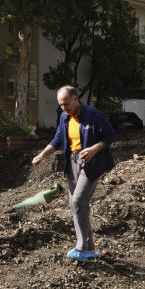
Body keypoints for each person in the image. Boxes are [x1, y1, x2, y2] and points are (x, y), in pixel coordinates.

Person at [32, 85, 115, 261]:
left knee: (78, 202)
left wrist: (94, 148)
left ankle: (82, 247)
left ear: (76, 99)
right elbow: (57, 140)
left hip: (92, 163)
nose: (64, 108)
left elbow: (110, 136)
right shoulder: (64, 117)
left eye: (66, 104)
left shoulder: (93, 114)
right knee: (75, 206)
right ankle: (90, 248)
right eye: (61, 105)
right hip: (72, 163)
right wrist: (42, 155)